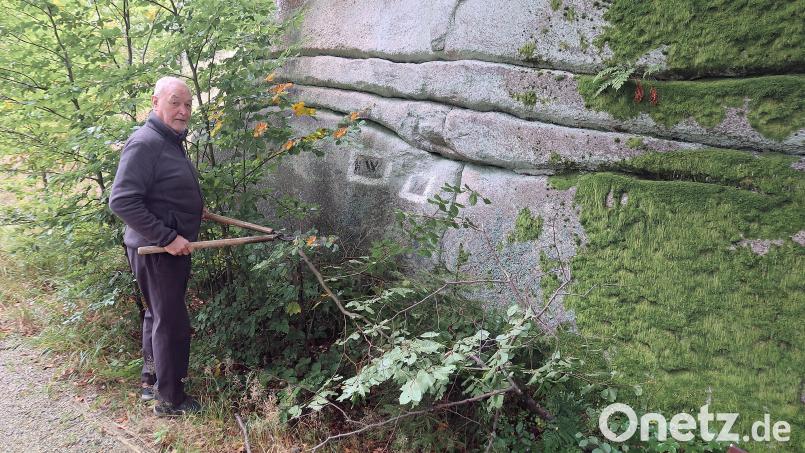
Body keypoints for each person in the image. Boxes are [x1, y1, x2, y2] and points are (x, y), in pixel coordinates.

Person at [109, 76, 205, 417]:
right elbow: (121, 200)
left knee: (158, 314)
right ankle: (170, 399)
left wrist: (192, 209)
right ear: (155, 102)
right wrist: (168, 237)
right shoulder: (146, 142)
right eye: (175, 102)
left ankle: (152, 381)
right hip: (158, 251)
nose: (183, 111)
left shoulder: (169, 140)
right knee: (172, 321)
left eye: (188, 104)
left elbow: (159, 193)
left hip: (164, 249)